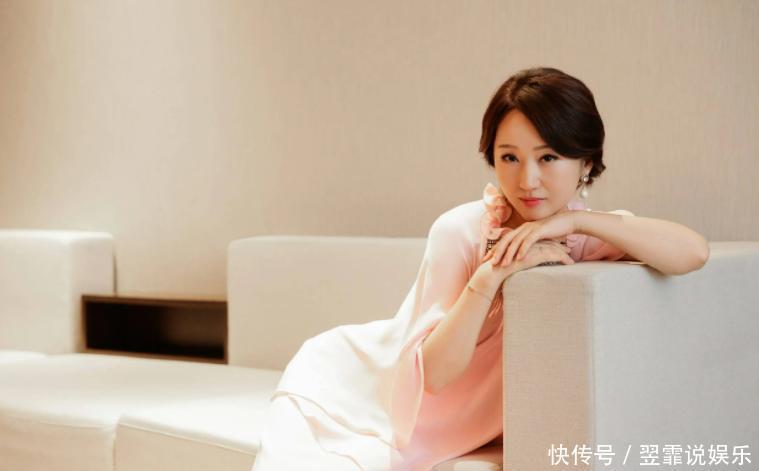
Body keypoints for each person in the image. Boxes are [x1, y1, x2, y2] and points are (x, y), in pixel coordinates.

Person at [251, 67, 710, 471]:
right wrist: (490, 276)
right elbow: (432, 376)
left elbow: (693, 252)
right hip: (362, 393)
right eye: (509, 157)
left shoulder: (585, 237)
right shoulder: (461, 231)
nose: (527, 180)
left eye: (548, 157)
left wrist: (575, 221)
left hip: (469, 420)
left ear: (585, 162)